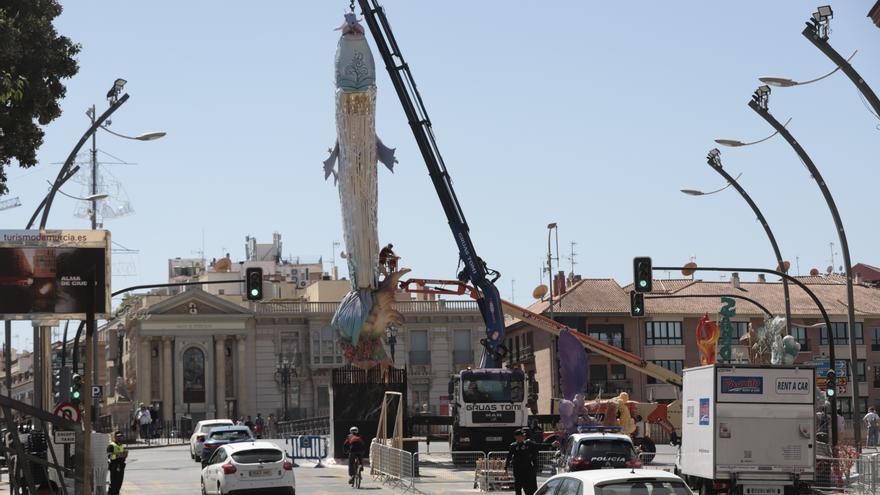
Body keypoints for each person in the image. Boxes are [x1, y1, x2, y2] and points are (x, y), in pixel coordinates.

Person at [505, 429, 538, 495]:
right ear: (516, 437)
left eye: (523, 436)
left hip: (527, 470)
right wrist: (506, 466)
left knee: (528, 489)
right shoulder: (513, 446)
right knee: (517, 489)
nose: (523, 437)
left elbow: (534, 455)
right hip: (517, 470)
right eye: (521, 436)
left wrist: (535, 467)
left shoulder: (528, 444)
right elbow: (509, 456)